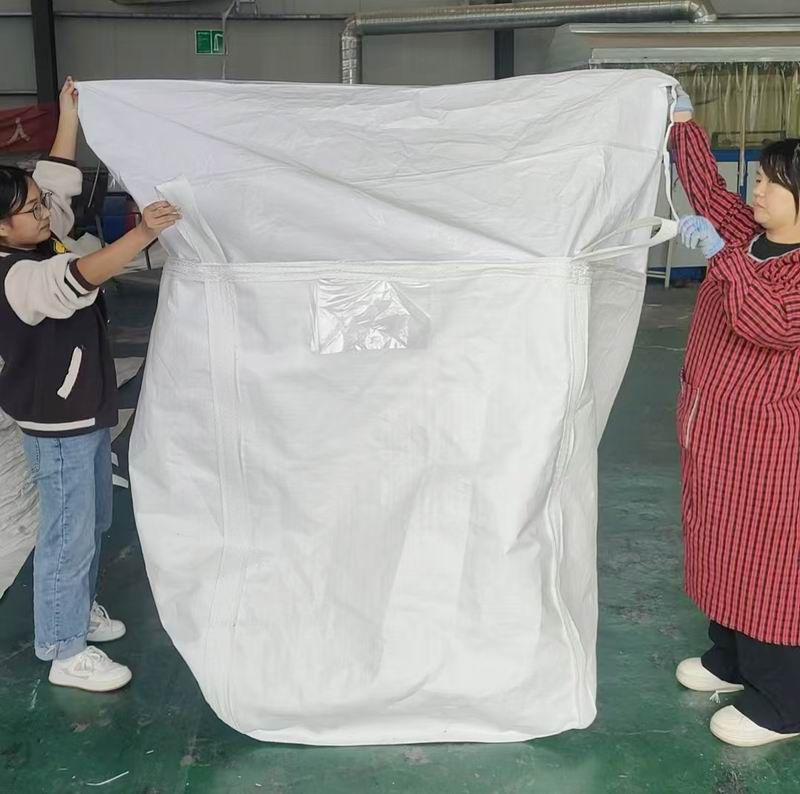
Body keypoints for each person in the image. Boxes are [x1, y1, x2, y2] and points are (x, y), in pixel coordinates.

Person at [0, 77, 180, 692]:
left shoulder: (34, 233)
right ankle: (63, 647)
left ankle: (72, 610)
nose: (44, 211)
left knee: (94, 520)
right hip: (59, 423)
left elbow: (55, 182)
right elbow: (77, 277)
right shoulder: (16, 276)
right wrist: (141, 234)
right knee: (67, 532)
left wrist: (69, 114)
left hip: (83, 410)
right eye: (30, 209)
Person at [669, 87, 800, 747]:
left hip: (771, 448)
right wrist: (683, 126)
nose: (757, 190)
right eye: (759, 178)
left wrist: (721, 257)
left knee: (770, 565)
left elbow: (766, 323)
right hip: (715, 430)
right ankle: (731, 658)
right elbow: (707, 191)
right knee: (718, 545)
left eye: (773, 183)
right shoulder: (749, 236)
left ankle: (784, 702)